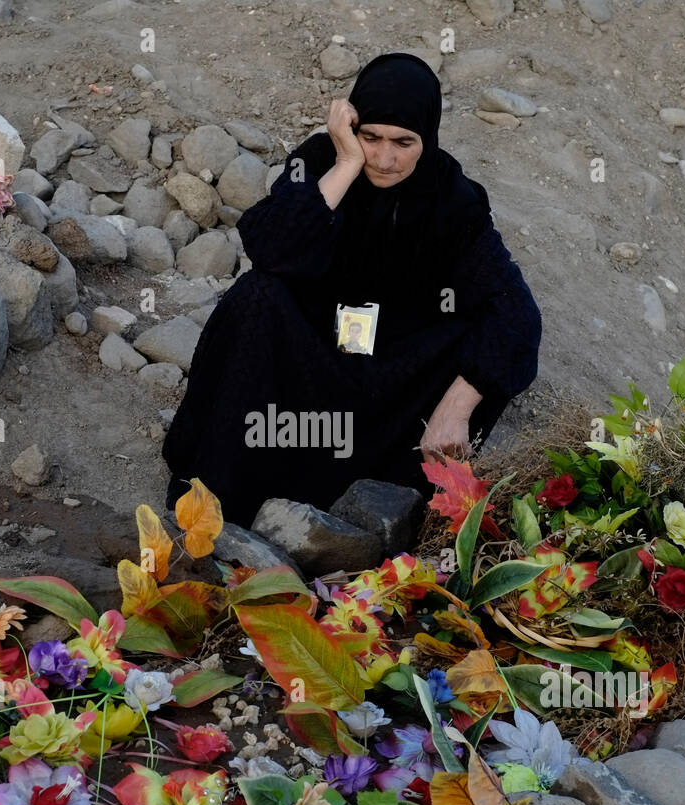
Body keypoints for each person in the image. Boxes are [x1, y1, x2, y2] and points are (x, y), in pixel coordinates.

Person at [161, 52, 542, 527]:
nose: (384, 159)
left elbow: (517, 314)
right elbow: (273, 249)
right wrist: (344, 163)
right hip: (308, 361)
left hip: (390, 378)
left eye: (404, 142)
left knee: (477, 336)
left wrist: (456, 406)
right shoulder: (320, 162)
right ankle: (229, 490)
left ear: (429, 136)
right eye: (371, 137)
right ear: (351, 127)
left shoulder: (452, 200)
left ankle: (378, 507)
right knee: (257, 297)